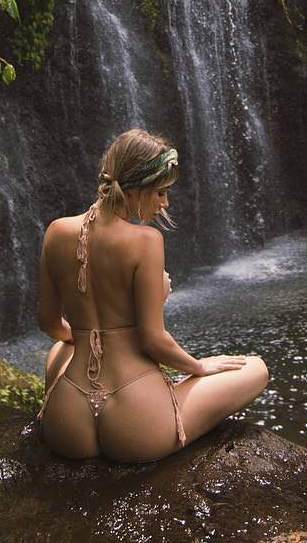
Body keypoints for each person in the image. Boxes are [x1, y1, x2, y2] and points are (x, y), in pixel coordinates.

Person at [37, 128, 268, 461]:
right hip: (135, 421)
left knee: (61, 346)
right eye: (160, 192)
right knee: (256, 368)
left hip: (68, 422)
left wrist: (90, 336)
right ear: (134, 188)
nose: (165, 203)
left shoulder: (56, 231)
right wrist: (198, 366)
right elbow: (152, 341)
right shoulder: (145, 241)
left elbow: (48, 322)